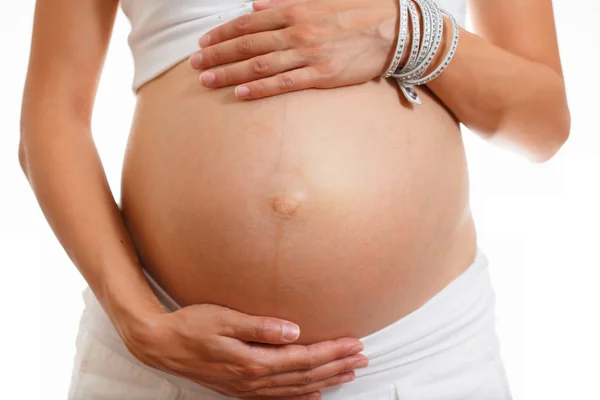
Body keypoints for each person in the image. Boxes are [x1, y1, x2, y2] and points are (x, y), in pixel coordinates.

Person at [19, 0, 569, 398]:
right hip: (163, 363)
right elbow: (53, 116)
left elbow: (543, 125)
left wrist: (404, 32)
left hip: (418, 361)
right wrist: (137, 319)